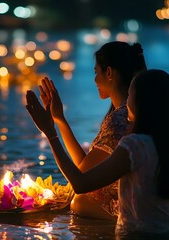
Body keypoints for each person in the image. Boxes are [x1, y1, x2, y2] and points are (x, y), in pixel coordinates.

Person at [26, 69, 169, 234]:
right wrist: (59, 119)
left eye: (130, 95)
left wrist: (50, 133)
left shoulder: (134, 146)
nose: (126, 103)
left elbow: (80, 184)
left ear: (141, 102)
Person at [36, 41, 147, 220]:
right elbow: (86, 167)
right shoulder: (128, 113)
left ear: (109, 72)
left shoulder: (120, 120)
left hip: (132, 217)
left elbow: (81, 178)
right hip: (144, 211)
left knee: (79, 202)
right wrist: (59, 120)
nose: (94, 80)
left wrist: (50, 132)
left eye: (96, 72)